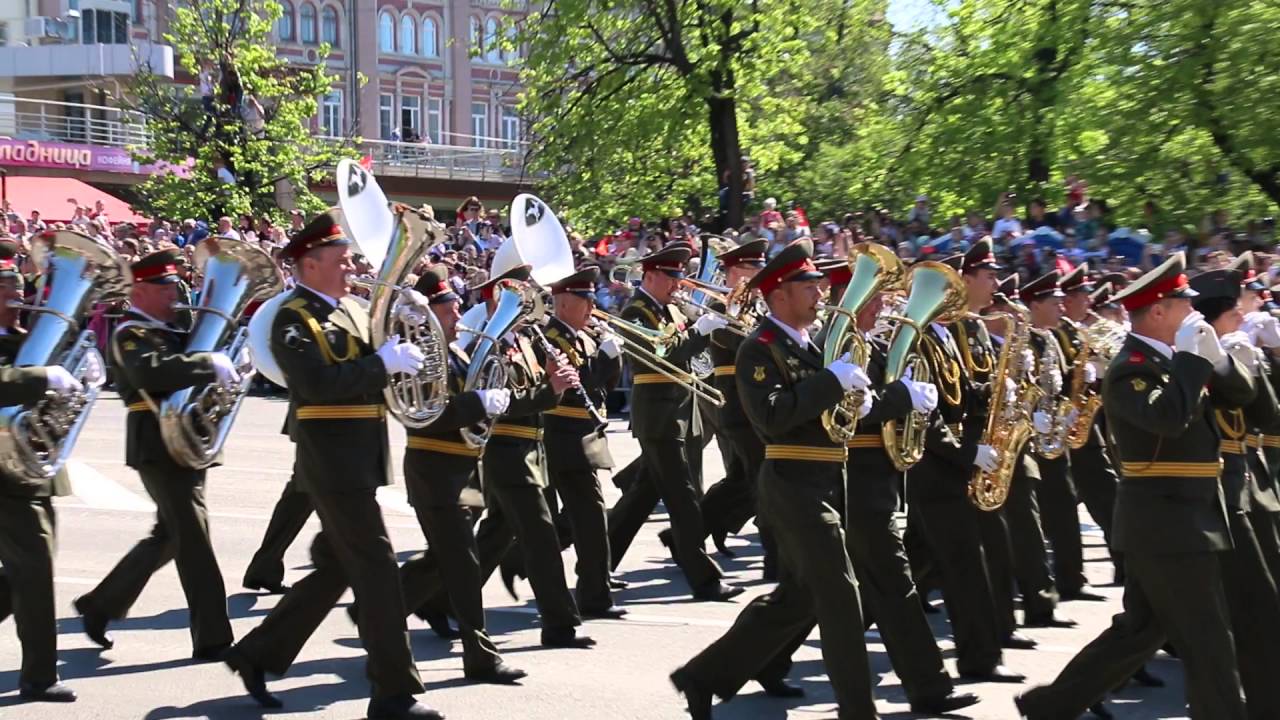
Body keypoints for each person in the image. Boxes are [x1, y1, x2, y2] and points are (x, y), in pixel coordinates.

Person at [220, 210, 438, 719]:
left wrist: (409, 323)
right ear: (309, 264)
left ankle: (257, 652)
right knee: (380, 571)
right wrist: (381, 363)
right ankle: (393, 694)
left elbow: (386, 364)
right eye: (340, 261)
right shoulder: (291, 318)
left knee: (340, 565)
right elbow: (315, 384)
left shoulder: (354, 311)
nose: (350, 268)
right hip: (329, 458)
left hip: (362, 455)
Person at [1016, 252, 1251, 720]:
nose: (1195, 314)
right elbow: (1168, 419)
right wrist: (1189, 359)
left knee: (1141, 629)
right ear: (1159, 312)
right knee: (1208, 638)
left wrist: (1219, 362)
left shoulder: (1177, 359)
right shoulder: (1131, 367)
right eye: (1185, 305)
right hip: (1166, 522)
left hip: (1184, 516)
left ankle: (1051, 704)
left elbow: (1242, 398)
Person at [671, 239, 878, 719]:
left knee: (798, 598)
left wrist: (859, 403)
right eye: (808, 285)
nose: (819, 293)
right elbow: (774, 417)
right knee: (842, 599)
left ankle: (703, 676)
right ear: (778, 293)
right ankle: (858, 710)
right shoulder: (758, 349)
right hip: (792, 483)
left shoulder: (815, 345)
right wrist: (832, 382)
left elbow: (824, 410)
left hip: (825, 479)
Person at [73, 248, 236, 663]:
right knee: (194, 540)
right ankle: (213, 637)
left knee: (169, 537)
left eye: (175, 286)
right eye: (164, 288)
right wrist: (207, 365)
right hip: (157, 444)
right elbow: (153, 374)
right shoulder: (130, 332)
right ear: (140, 290)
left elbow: (197, 356)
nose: (173, 295)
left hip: (187, 437)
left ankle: (101, 604)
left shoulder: (174, 328)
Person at [390, 265, 528, 684]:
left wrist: (494, 398)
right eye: (447, 310)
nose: (456, 315)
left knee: (446, 561)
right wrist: (477, 403)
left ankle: (378, 613)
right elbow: (424, 418)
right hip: (434, 471)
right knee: (464, 566)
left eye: (453, 308)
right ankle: (480, 656)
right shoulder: (413, 356)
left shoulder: (460, 353)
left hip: (464, 470)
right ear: (428, 314)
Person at [905, 248, 1025, 683]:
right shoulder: (918, 337)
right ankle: (980, 659)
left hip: (952, 465)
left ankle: (822, 626)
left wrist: (995, 390)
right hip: (935, 467)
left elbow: (957, 394)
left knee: (907, 567)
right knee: (963, 567)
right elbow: (923, 412)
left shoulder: (945, 336)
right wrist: (965, 453)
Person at [605, 243, 739, 600]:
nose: (678, 284)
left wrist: (711, 321)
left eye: (680, 277)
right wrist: (701, 330)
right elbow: (663, 356)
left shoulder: (670, 310)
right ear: (650, 275)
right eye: (671, 277)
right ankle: (704, 579)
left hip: (679, 411)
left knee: (641, 498)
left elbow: (692, 355)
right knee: (684, 498)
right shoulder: (637, 312)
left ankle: (597, 564)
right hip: (660, 415)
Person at [0, 241, 98, 703]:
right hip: (3, 477)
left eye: (19, 286)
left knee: (24, 574)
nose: (16, 294)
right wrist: (43, 377)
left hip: (33, 470)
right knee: (34, 572)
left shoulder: (31, 338)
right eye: (6, 288)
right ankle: (38, 676)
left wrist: (77, 368)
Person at [1186, 268, 1280, 718]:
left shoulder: (1235, 352)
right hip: (1206, 497)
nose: (1245, 315)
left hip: (1244, 490)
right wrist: (1212, 364)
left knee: (1147, 625)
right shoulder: (1186, 355)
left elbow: (1267, 416)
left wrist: (1255, 364)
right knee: (1253, 606)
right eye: (1235, 310)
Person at [539, 266, 626, 618]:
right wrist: (604, 356)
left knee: (586, 518)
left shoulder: (581, 336)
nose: (592, 306)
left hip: (582, 437)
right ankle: (593, 594)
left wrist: (611, 354)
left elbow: (604, 387)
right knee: (584, 517)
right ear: (562, 304)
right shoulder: (552, 338)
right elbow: (579, 386)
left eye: (593, 298)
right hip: (561, 435)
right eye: (584, 299)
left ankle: (594, 592)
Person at [1024, 269, 1105, 602]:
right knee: (1028, 517)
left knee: (1062, 505)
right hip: (1028, 434)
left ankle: (1070, 578)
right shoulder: (1027, 337)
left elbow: (1056, 382)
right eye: (1054, 302)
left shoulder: (1049, 338)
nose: (1062, 307)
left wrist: (1070, 401)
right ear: (1035, 305)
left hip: (1055, 431)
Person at [1058, 263, 1122, 583]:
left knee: (1105, 491)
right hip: (1061, 420)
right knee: (1064, 500)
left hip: (1091, 420)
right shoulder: (1059, 331)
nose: (1088, 300)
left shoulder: (1088, 329)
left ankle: (1124, 565)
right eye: (1081, 295)